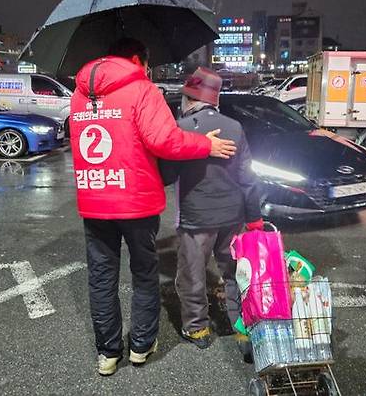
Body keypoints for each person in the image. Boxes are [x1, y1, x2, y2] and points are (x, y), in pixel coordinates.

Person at [69, 38, 237, 376]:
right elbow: (166, 140)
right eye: (146, 64)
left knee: (101, 278)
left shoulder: (79, 95)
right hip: (136, 202)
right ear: (136, 59)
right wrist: (206, 144)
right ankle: (141, 347)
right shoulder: (142, 90)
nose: (147, 70)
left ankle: (108, 353)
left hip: (95, 199)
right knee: (144, 275)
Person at [160, 67, 262, 350]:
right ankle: (240, 323)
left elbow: (167, 175)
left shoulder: (180, 129)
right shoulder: (235, 127)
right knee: (233, 272)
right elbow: (248, 178)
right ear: (215, 101)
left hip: (196, 217)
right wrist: (254, 218)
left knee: (193, 274)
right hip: (234, 216)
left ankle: (197, 329)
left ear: (189, 98)